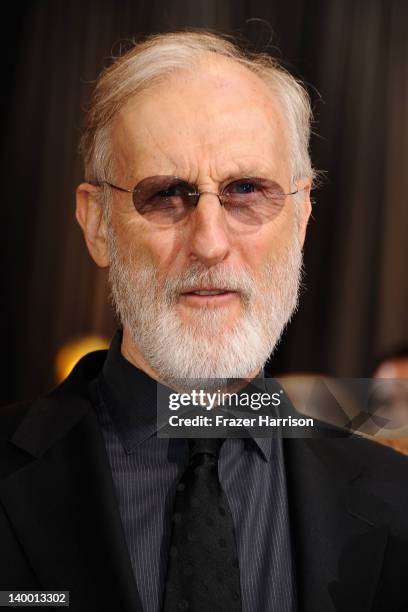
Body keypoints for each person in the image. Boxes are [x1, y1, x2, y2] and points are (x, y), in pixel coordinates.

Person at [1, 31, 408, 612]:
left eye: (247, 191)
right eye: (166, 195)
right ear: (96, 225)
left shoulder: (398, 502)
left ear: (301, 216)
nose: (210, 243)